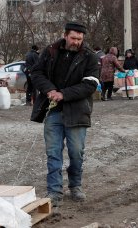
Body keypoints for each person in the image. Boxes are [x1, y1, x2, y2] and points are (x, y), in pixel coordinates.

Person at [30, 22, 100, 207]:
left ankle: (75, 185)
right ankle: (54, 190)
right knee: (53, 153)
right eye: (73, 38)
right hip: (53, 111)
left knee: (76, 152)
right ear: (65, 36)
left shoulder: (90, 57)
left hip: (77, 112)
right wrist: (50, 90)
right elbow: (36, 73)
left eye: (79, 39)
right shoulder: (50, 51)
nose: (76, 42)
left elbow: (90, 85)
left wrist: (64, 94)